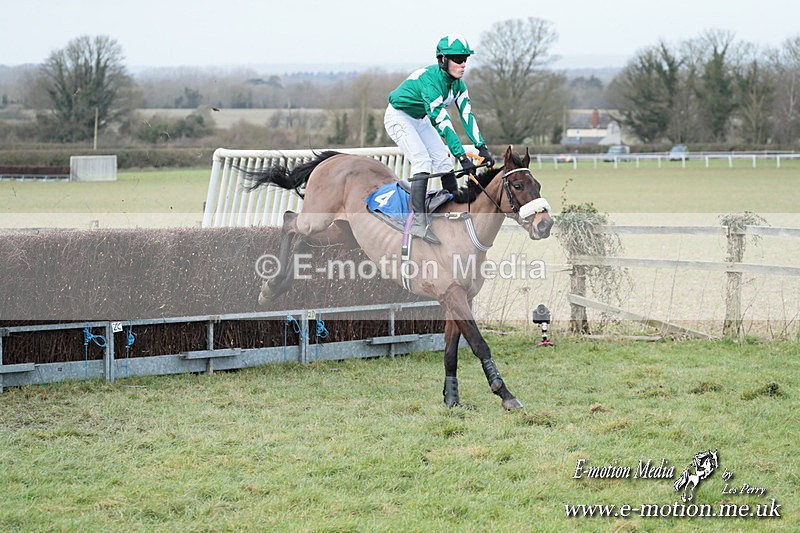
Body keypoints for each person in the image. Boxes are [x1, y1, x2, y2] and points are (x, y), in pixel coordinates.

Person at [384, 33, 494, 243]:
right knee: (422, 161)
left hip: (420, 118)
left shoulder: (459, 86)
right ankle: (417, 221)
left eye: (465, 60)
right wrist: (462, 157)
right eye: (458, 59)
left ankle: (453, 200)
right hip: (399, 116)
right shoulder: (431, 82)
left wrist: (482, 147)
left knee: (443, 159)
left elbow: (467, 116)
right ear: (443, 60)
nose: (463, 65)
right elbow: (444, 123)